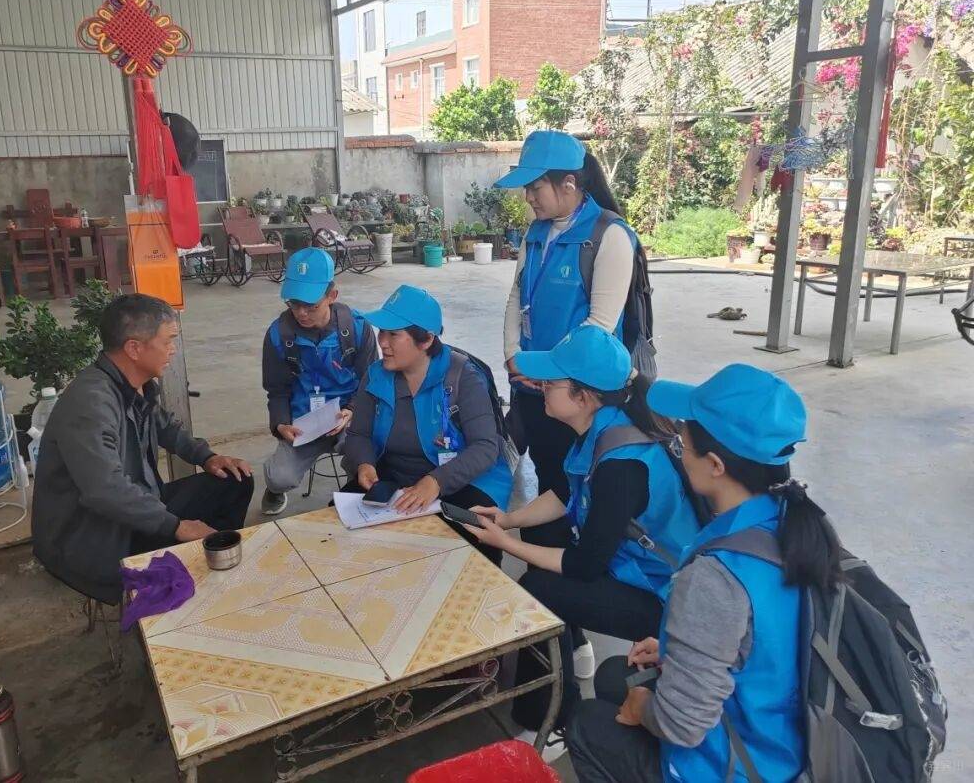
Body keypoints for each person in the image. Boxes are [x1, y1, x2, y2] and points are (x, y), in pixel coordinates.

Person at [567, 364, 838, 783]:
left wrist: (642, 708)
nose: (677, 446)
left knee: (587, 721)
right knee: (613, 675)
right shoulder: (796, 525)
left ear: (714, 465)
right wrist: (679, 647)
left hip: (741, 766)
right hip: (788, 733)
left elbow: (682, 726)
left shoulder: (716, 575)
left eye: (682, 440)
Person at [462, 326, 699, 755]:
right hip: (631, 565)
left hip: (666, 598)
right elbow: (565, 492)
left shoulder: (622, 466)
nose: (541, 388)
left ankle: (552, 720)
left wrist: (504, 542)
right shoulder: (605, 427)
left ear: (584, 396)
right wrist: (509, 519)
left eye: (551, 383)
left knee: (537, 590)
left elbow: (585, 564)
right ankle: (569, 649)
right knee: (540, 531)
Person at [32, 294, 255, 605]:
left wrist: (207, 457)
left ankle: (214, 562)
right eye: (168, 341)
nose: (173, 349)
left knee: (235, 478)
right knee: (179, 529)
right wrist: (176, 526)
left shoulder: (131, 383)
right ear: (134, 348)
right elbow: (105, 491)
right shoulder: (91, 403)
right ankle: (180, 585)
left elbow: (165, 427)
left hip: (138, 505)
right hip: (99, 535)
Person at [497, 130, 643, 553]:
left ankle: (573, 570)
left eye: (535, 187)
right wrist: (513, 354)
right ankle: (541, 568)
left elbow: (600, 326)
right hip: (532, 383)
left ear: (569, 183)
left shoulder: (608, 235)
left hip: (578, 393)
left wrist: (552, 375)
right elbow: (516, 296)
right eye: (526, 188)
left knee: (574, 483)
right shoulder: (535, 232)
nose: (528, 197)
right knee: (547, 474)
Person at [342, 284, 513, 564]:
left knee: (475, 542)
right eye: (382, 331)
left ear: (426, 340)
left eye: (394, 334)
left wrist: (436, 482)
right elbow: (358, 434)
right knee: (341, 529)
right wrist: (364, 464)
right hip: (395, 478)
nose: (382, 342)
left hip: (462, 479)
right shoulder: (375, 375)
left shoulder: (463, 377)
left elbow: (485, 447)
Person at [260, 248, 377, 515]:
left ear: (332, 295)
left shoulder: (357, 328)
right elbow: (276, 389)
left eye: (311, 305)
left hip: (347, 418)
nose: (301, 313)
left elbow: (371, 382)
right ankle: (275, 491)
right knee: (279, 477)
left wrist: (352, 410)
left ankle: (354, 491)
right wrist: (281, 424)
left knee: (367, 459)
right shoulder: (279, 335)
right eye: (294, 303)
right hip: (303, 424)